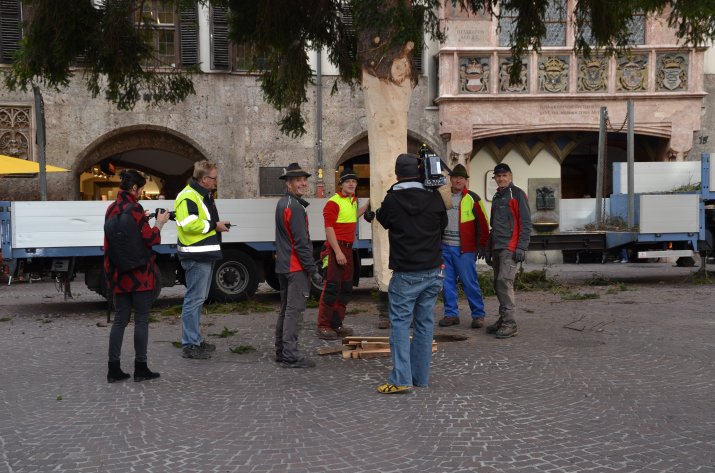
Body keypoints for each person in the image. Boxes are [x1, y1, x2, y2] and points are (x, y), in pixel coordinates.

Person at [375, 153, 447, 394]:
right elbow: (443, 224)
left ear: (397, 175)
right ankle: (420, 378)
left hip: (406, 273)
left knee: (400, 324)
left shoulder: (393, 199)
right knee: (425, 324)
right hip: (433, 271)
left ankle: (401, 379)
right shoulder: (434, 196)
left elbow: (383, 220)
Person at [105, 169, 170, 383]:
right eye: (141, 189)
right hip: (140, 274)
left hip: (120, 273)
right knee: (141, 319)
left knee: (120, 320)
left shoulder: (111, 209)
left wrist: (110, 275)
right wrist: (159, 223)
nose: (141, 193)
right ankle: (140, 368)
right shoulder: (136, 209)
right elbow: (150, 239)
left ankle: (113, 369)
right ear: (134, 188)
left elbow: (108, 244)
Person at [174, 160, 231, 359]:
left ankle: (195, 340)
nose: (216, 181)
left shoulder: (202, 194)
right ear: (204, 179)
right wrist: (215, 226)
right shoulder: (188, 196)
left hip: (204, 254)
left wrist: (216, 225)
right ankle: (190, 344)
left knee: (198, 299)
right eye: (214, 178)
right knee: (194, 300)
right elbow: (189, 224)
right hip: (196, 255)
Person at [275, 162, 324, 368]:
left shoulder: (283, 203)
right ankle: (290, 355)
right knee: (294, 312)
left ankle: (281, 350)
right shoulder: (294, 207)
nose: (303, 183)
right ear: (288, 183)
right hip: (295, 267)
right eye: (298, 180)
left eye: (304, 180)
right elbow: (301, 243)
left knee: (286, 309)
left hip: (284, 265)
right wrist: (313, 270)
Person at [316, 168, 370, 340]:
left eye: (354, 181)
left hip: (348, 249)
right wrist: (338, 252)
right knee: (331, 288)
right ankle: (323, 326)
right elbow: (329, 228)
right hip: (336, 249)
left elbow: (351, 217)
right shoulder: (333, 202)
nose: (351, 184)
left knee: (345, 288)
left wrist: (367, 207)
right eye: (348, 182)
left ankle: (336, 323)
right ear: (341, 184)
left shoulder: (352, 201)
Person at [438, 164, 490, 329]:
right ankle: (451, 314)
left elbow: (483, 223)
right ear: (451, 179)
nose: (458, 180)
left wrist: (482, 245)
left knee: (469, 282)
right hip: (445, 247)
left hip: (464, 249)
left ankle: (478, 315)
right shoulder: (442, 197)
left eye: (461, 178)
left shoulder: (473, 198)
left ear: (465, 180)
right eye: (455, 177)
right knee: (447, 283)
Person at [484, 163, 531, 339]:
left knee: (504, 282)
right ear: (495, 178)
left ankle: (510, 324)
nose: (501, 179)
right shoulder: (497, 197)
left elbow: (525, 222)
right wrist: (489, 248)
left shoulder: (517, 194)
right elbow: (493, 226)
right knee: (498, 284)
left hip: (510, 247)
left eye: (504, 175)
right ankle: (503, 318)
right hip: (497, 246)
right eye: (498, 176)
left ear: (510, 176)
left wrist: (521, 246)